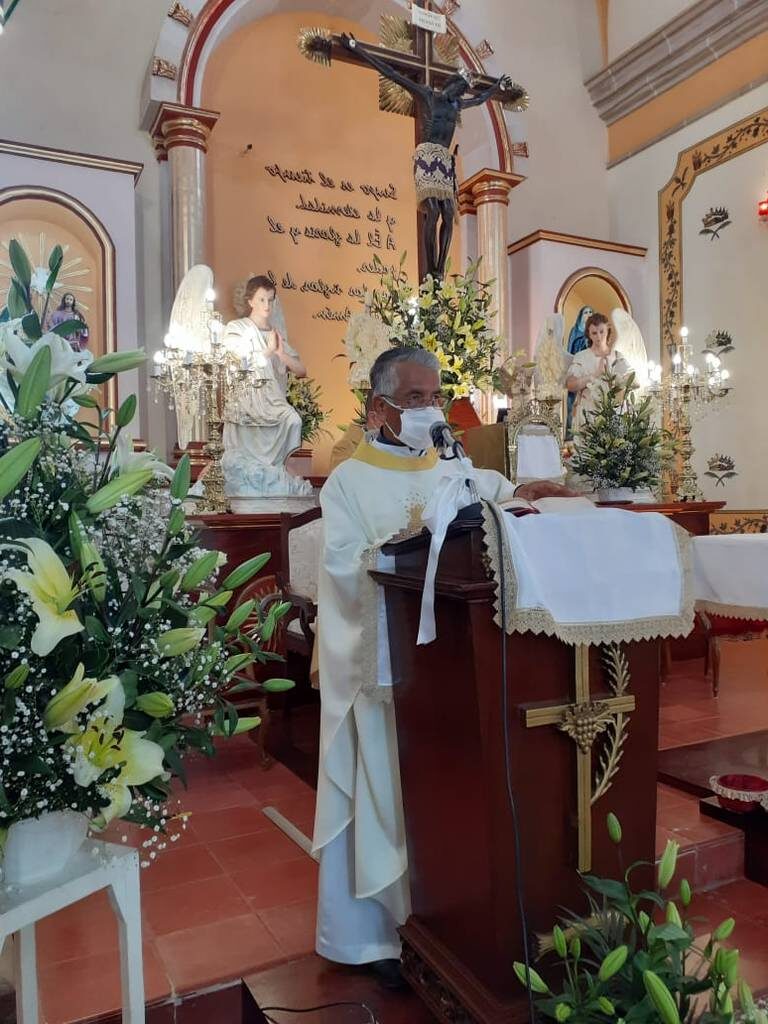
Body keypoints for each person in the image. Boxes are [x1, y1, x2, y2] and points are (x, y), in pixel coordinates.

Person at [312, 347, 577, 987]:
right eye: (414, 399)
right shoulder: (348, 481)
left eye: (435, 396)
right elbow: (344, 568)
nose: (431, 410)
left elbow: (497, 508)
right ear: (379, 409)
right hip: (386, 676)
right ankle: (372, 937)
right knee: (386, 797)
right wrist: (400, 554)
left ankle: (446, 925)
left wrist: (526, 495)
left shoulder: (455, 468)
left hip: (455, 676)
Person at [338, 32, 525, 278]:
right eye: (459, 88)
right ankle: (431, 268)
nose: (460, 93)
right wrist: (356, 48)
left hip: (444, 160)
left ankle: (438, 269)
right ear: (450, 84)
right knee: (433, 212)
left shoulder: (457, 104)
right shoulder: (429, 95)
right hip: (427, 156)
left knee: (448, 214)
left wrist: (496, 88)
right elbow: (392, 73)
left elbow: (479, 100)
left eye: (462, 91)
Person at [223, 276, 307, 468]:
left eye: (270, 299)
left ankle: (274, 469)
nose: (267, 305)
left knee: (293, 420)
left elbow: (302, 371)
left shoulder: (275, 334)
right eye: (262, 299)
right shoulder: (237, 328)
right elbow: (234, 364)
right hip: (247, 398)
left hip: (273, 399)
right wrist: (268, 352)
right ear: (250, 301)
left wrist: (280, 353)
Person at [565, 311, 632, 433]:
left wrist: (614, 378)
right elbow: (570, 384)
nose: (599, 337)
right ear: (589, 335)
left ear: (608, 332)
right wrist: (595, 375)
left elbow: (631, 381)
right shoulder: (581, 357)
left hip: (613, 415)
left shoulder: (617, 356)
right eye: (594, 333)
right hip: (588, 415)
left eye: (602, 332)